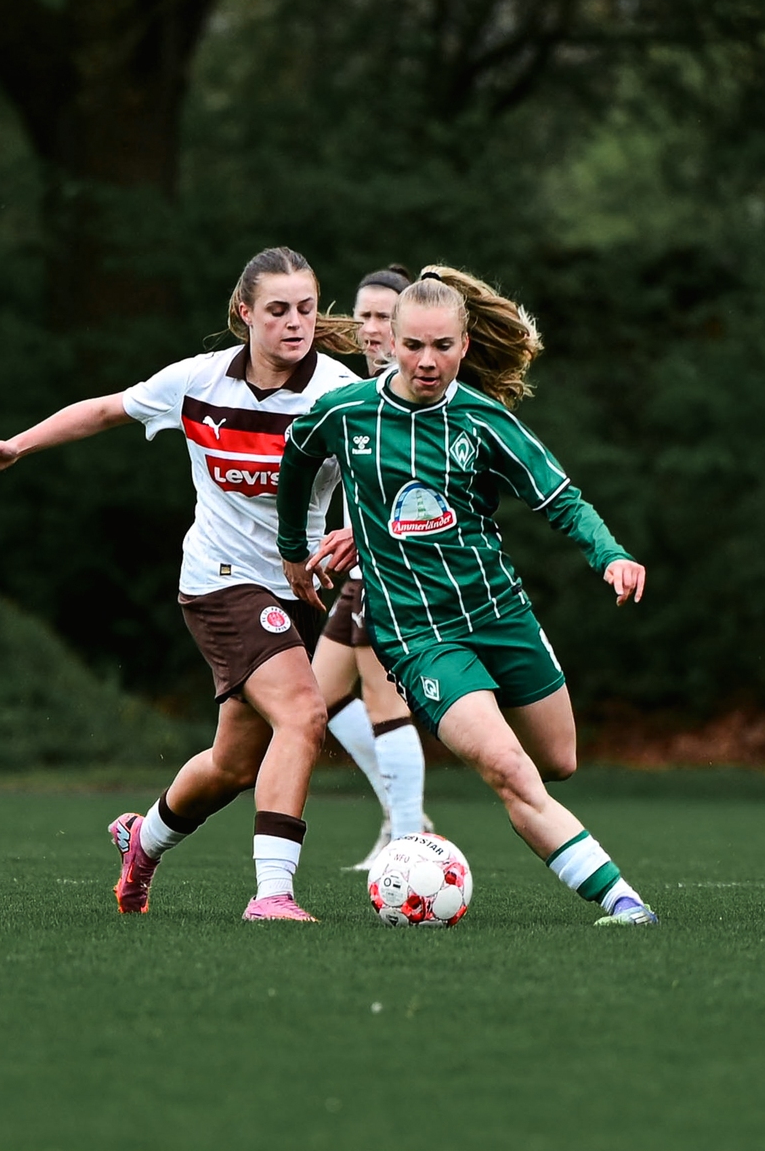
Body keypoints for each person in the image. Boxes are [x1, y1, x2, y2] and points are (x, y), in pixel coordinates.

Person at [0, 248, 359, 921]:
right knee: (304, 715)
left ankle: (140, 842)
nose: (295, 323)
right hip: (219, 582)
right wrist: (17, 446)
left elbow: (392, 470)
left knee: (232, 765)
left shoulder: (339, 395)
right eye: (279, 310)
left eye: (307, 309)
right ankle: (272, 895)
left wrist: (362, 535)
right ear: (245, 314)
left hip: (295, 589)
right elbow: (107, 410)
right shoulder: (199, 382)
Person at [276, 267, 659, 926]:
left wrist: (613, 554)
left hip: (501, 615)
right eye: (415, 345)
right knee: (509, 770)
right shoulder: (346, 412)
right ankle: (622, 900)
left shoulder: (483, 421)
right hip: (420, 638)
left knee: (557, 762)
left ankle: (574, 850)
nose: (428, 361)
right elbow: (297, 456)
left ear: (465, 344)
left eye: (444, 347)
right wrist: (293, 545)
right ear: (391, 341)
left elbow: (560, 499)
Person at [311, 265, 429, 867]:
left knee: (384, 697)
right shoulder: (359, 386)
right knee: (318, 698)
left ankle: (409, 837)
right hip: (363, 569)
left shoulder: (412, 389)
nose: (370, 328)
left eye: (384, 316)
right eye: (362, 315)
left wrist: (358, 529)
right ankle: (402, 812)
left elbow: (419, 479)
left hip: (398, 571)